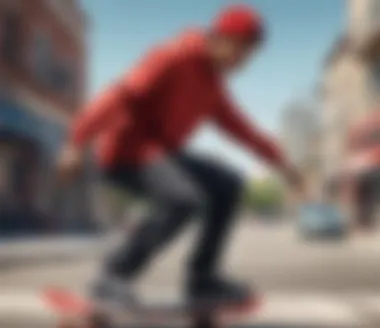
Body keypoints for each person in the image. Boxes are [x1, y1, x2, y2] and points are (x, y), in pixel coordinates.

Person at [58, 4, 304, 304]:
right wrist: (77, 140)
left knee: (229, 184)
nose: (242, 63)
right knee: (184, 199)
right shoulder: (172, 56)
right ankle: (114, 274)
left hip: (161, 153)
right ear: (220, 39)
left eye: (249, 57)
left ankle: (203, 278)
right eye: (240, 52)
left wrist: (282, 164)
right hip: (124, 152)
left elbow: (242, 128)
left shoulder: (213, 85)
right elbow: (121, 94)